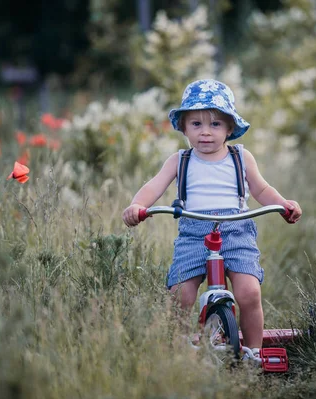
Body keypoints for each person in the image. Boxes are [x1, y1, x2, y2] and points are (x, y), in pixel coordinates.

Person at [122, 79, 302, 355]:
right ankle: (178, 349)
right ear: (183, 127)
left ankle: (253, 353)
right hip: (194, 233)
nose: (205, 132)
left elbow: (261, 188)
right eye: (196, 124)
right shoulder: (179, 160)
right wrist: (137, 206)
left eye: (215, 124)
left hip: (236, 231)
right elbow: (154, 187)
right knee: (180, 294)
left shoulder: (241, 157)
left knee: (249, 293)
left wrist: (282, 204)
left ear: (230, 128)